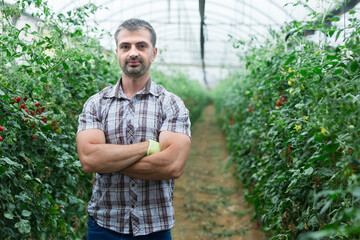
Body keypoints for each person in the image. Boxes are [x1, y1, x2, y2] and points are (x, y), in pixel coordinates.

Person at [76, 18, 191, 240]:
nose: (133, 52)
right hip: (104, 225)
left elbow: (173, 165)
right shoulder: (96, 104)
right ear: (117, 52)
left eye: (141, 46)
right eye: (125, 46)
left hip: (154, 226)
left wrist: (108, 160)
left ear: (154, 53)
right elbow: (90, 159)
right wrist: (149, 146)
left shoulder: (171, 104)